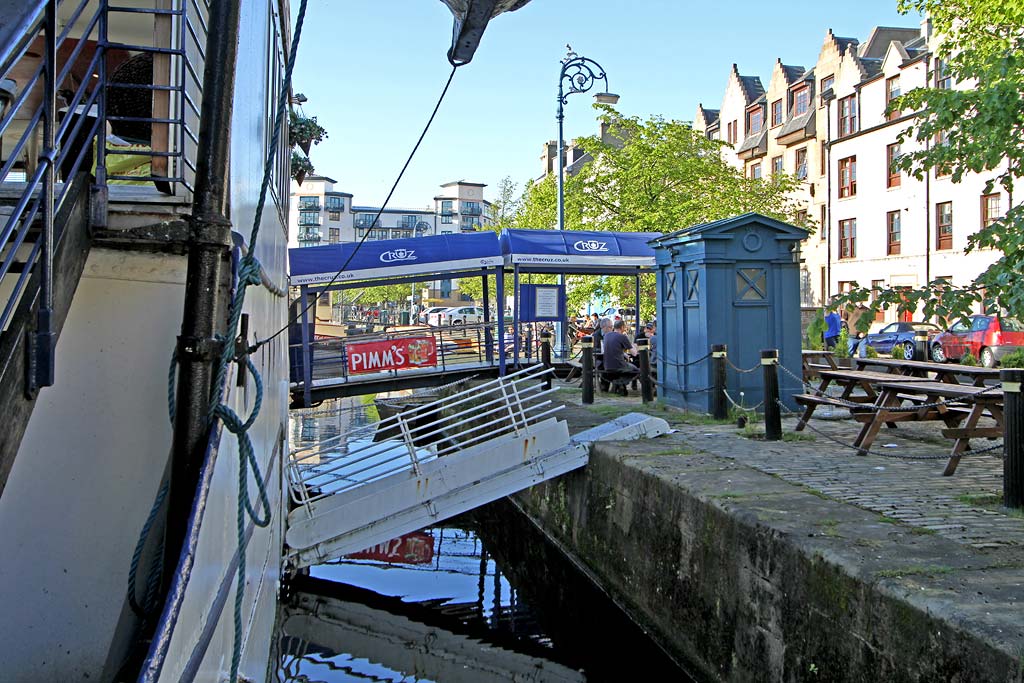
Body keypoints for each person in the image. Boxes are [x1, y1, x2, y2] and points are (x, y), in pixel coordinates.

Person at [602, 320, 639, 393]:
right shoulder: (622, 337)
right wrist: (633, 345)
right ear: (622, 327)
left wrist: (623, 353)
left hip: (606, 365)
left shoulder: (607, 335)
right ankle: (621, 383)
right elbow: (634, 353)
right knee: (636, 370)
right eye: (624, 327)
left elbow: (614, 347)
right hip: (619, 365)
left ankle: (619, 385)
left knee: (627, 366)